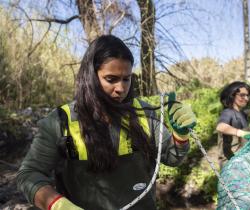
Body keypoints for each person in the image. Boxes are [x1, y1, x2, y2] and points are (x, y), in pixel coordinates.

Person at [17, 35, 196, 210]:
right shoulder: (60, 122)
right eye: (111, 79)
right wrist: (57, 205)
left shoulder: (146, 114)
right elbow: (29, 175)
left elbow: (172, 158)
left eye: (126, 79)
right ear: (90, 77)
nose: (121, 89)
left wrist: (180, 135)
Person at [216, 81, 250, 167]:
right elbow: (221, 126)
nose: (246, 98)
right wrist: (242, 133)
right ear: (232, 95)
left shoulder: (241, 113)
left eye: (247, 95)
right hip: (231, 164)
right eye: (242, 95)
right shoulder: (228, 112)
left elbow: (249, 112)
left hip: (243, 160)